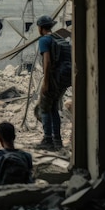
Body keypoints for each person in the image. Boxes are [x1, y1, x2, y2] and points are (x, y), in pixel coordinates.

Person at [35, 15, 68, 151]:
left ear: (41, 28)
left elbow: (47, 61)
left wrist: (46, 82)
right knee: (53, 107)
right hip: (64, 79)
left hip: (54, 78)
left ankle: (48, 140)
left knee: (44, 108)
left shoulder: (44, 40)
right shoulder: (58, 38)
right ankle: (58, 141)